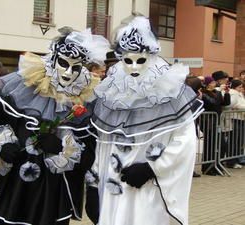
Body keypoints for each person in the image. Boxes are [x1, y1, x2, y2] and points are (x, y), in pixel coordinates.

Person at [0, 28, 109, 225]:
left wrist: (61, 147)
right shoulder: (23, 86)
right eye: (63, 63)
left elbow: (89, 149)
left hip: (54, 186)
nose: (68, 72)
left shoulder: (84, 98)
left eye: (76, 67)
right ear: (53, 59)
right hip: (17, 180)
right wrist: (2, 145)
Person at [85, 17, 203, 225]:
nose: (133, 67)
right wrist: (94, 185)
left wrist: (151, 168)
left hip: (148, 188)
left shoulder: (170, 94)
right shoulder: (112, 93)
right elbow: (103, 143)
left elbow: (185, 141)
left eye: (140, 60)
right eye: (127, 61)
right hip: (113, 188)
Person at [200, 76, 231, 175]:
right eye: (213, 82)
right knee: (210, 145)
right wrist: (219, 92)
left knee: (222, 144)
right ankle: (208, 168)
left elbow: (225, 103)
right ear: (208, 84)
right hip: (208, 122)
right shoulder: (204, 93)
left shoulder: (217, 92)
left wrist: (226, 93)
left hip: (217, 121)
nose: (215, 84)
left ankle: (218, 164)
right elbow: (212, 103)